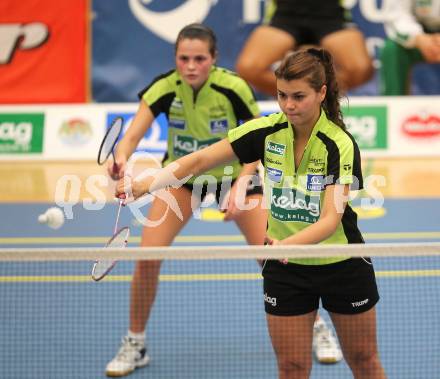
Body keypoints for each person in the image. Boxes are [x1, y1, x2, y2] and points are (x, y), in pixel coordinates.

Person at [117, 48, 387, 379]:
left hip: (340, 264)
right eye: (282, 96)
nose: (288, 105)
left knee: (363, 361)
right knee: (291, 367)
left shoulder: (339, 143)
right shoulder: (265, 131)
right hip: (288, 271)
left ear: (321, 93)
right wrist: (149, 183)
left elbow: (330, 221)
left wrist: (286, 247)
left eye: (299, 96)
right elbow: (200, 160)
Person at [104, 23, 268, 377]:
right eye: (184, 58)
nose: (191, 65)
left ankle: (316, 327)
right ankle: (135, 342)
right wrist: (120, 159)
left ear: (214, 59)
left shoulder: (233, 87)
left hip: (232, 177)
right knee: (148, 259)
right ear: (175, 58)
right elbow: (131, 137)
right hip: (182, 179)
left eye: (199, 59)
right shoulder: (165, 87)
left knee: (274, 257)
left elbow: (260, 138)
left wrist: (243, 183)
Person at [235, 0, 373, 96]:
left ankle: (323, 97)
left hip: (331, 15)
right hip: (285, 15)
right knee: (248, 68)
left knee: (361, 68)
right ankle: (294, 95)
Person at [380, 0, 440, 95]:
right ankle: (396, 105)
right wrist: (420, 38)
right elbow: (397, 14)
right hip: (419, 32)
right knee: (393, 50)